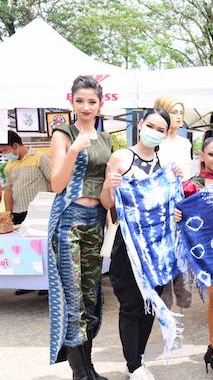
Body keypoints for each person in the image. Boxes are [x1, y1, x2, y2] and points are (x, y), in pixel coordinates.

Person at [100, 108, 174, 380]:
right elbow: (107, 203)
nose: (154, 132)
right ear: (141, 124)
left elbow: (170, 206)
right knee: (131, 304)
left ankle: (137, 358)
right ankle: (133, 365)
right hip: (128, 244)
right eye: (150, 126)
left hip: (156, 246)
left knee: (150, 303)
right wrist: (109, 185)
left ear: (166, 134)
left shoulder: (164, 165)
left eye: (160, 129)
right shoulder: (121, 158)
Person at [47, 75, 112, 380]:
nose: (86, 107)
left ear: (100, 104)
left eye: (92, 101)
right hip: (69, 218)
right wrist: (73, 150)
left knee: (91, 297)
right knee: (73, 298)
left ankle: (88, 368)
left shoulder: (107, 140)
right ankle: (80, 372)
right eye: (80, 101)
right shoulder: (63, 134)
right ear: (71, 102)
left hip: (96, 219)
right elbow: (56, 184)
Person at [175, 132, 213, 380]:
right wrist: (175, 214)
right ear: (202, 155)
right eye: (212, 154)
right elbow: (174, 211)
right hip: (206, 254)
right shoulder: (189, 186)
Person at [154, 95, 193, 311]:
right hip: (160, 204)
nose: (178, 116)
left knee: (181, 255)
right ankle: (164, 305)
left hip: (182, 202)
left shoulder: (185, 143)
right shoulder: (156, 142)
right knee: (164, 256)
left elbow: (187, 176)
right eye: (173, 111)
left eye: (180, 112)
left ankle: (181, 301)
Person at [1, 130, 52, 296]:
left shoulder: (40, 158)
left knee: (43, 249)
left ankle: (46, 284)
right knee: (24, 250)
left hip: (39, 213)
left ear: (15, 145)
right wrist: (8, 212)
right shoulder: (10, 165)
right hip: (18, 213)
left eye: (4, 150)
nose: (4, 155)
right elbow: (9, 190)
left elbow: (53, 180)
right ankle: (27, 283)